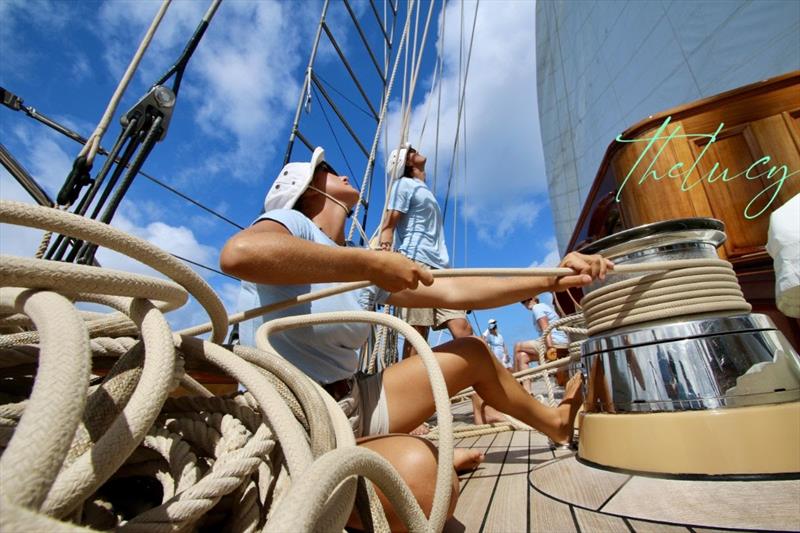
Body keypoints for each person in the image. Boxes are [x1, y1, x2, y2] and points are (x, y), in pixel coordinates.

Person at [220, 147, 613, 529]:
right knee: (424, 481)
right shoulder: (293, 224)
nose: (341, 172)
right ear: (309, 190)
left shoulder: (360, 262)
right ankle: (398, 460)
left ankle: (556, 423)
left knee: (472, 353)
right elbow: (240, 254)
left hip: (353, 402)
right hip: (297, 420)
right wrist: (370, 262)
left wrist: (553, 276)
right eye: (327, 169)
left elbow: (456, 292)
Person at [379, 144, 474, 358]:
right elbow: (388, 226)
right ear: (407, 163)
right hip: (416, 261)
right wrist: (386, 259)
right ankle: (409, 388)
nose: (416, 150)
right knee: (417, 337)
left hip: (441, 268)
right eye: (411, 150)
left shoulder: (423, 189)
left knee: (464, 331)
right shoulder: (401, 185)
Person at [514, 296, 571, 387]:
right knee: (522, 357)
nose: (526, 302)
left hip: (555, 342)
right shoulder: (543, 306)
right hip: (557, 341)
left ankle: (515, 382)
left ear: (534, 298)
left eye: (528, 298)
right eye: (523, 301)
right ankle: (527, 391)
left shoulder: (537, 308)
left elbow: (546, 329)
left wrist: (550, 348)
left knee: (517, 346)